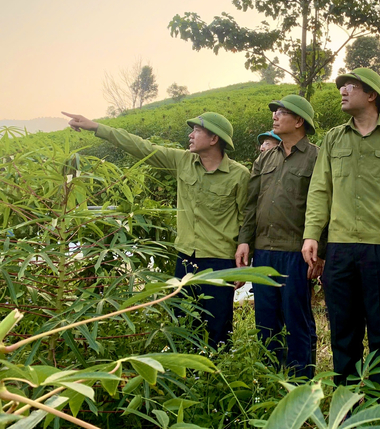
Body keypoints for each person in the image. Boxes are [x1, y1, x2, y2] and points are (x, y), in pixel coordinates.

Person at [62, 111, 249, 349]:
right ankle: (187, 376)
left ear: (214, 139)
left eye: (197, 131)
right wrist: (97, 127)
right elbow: (141, 147)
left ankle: (216, 375)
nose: (190, 135)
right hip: (186, 258)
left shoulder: (239, 175)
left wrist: (243, 262)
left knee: (218, 326)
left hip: (219, 261)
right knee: (182, 322)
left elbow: (247, 219)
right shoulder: (182, 161)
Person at [302, 68, 380, 397]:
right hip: (340, 247)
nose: (342, 90)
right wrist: (313, 235)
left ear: (372, 95)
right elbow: (320, 190)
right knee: (343, 331)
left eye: (350, 86)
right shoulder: (333, 138)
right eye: (341, 86)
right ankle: (347, 403)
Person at [236, 95, 321, 378]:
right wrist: (245, 240)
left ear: (299, 121)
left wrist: (322, 252)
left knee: (297, 319)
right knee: (266, 319)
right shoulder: (265, 158)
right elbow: (251, 203)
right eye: (275, 112)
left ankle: (301, 381)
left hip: (296, 252)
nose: (275, 116)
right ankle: (270, 377)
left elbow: (324, 205)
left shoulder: (317, 157)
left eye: (282, 112)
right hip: (264, 250)